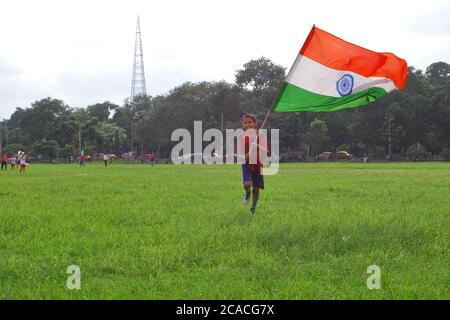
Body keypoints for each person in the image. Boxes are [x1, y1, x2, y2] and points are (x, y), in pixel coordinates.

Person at [239, 113, 267, 214]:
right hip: (246, 163)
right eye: (245, 123)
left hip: (258, 164)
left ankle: (253, 209)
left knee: (256, 189)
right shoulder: (241, 136)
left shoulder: (261, 135)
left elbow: (266, 151)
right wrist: (245, 155)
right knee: (247, 184)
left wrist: (257, 145)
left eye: (250, 122)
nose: (247, 125)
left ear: (255, 123)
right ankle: (247, 194)